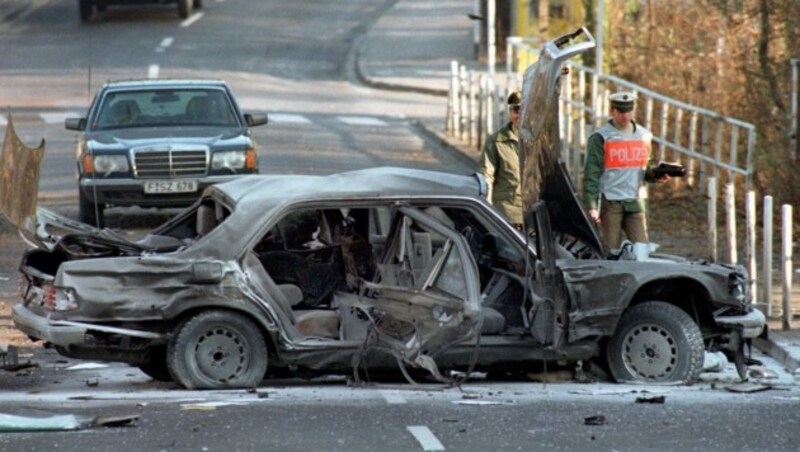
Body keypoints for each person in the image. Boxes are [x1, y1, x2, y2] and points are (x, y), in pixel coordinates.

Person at [582, 91, 668, 253]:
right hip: (611, 201)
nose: (625, 115)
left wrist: (658, 175)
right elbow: (591, 173)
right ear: (612, 111)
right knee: (611, 251)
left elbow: (645, 168)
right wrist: (592, 204)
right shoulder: (601, 137)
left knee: (641, 250)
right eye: (621, 111)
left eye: (629, 110)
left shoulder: (644, 136)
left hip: (635, 201)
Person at [480, 91, 523, 228]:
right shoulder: (496, 142)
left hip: (535, 216)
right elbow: (486, 176)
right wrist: (488, 210)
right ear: (510, 112)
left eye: (525, 109)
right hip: (507, 216)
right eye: (516, 110)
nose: (520, 115)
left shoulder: (540, 141)